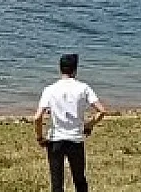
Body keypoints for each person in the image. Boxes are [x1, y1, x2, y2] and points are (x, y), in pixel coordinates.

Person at [33, 54, 106, 192]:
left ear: (60, 69)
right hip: (75, 139)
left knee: (57, 183)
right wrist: (89, 125)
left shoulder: (49, 89)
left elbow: (37, 117)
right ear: (75, 70)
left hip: (55, 140)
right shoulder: (83, 88)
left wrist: (40, 137)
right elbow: (101, 111)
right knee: (79, 180)